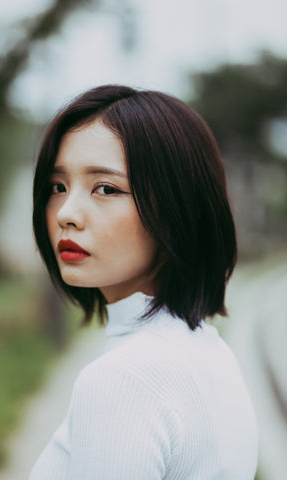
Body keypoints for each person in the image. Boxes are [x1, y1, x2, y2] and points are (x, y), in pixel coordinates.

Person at [29, 85, 258, 479]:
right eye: (58, 186)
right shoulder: (209, 350)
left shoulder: (122, 380)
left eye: (106, 188)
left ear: (177, 208)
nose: (67, 213)